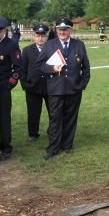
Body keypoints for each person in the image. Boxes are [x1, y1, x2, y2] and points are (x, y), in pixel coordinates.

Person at [38, 17, 91, 159]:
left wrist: (81, 84)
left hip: (73, 89)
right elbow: (40, 65)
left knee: (70, 119)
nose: (62, 32)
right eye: (60, 29)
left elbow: (86, 68)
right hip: (56, 90)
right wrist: (52, 68)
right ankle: (53, 148)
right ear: (56, 31)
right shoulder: (49, 45)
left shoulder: (79, 45)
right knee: (55, 120)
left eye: (65, 29)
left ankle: (67, 145)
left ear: (70, 30)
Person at [0, 18, 22, 160]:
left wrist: (9, 85)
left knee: (4, 119)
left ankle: (6, 148)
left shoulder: (11, 45)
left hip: (3, 87)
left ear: (5, 31)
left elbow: (18, 68)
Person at [20, 23, 50, 142]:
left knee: (53, 112)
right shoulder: (27, 50)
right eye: (38, 36)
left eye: (43, 36)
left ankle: (53, 131)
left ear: (47, 37)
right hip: (33, 87)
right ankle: (33, 133)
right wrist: (25, 85)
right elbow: (22, 69)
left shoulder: (52, 49)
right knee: (33, 112)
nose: (40, 38)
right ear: (33, 36)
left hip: (50, 86)